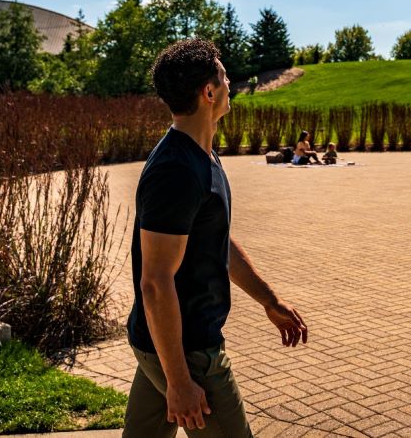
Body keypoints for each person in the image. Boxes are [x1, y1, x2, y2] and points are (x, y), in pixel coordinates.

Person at [124, 39, 308, 437]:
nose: (231, 84)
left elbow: (216, 242)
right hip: (187, 353)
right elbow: (156, 283)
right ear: (209, 93)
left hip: (163, 343)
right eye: (225, 77)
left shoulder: (202, 154)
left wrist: (269, 301)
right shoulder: (175, 171)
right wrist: (178, 382)